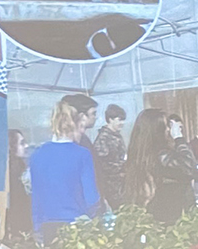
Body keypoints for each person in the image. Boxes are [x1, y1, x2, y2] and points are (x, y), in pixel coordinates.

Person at [27, 94, 104, 237]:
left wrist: (38, 232)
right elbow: (91, 199)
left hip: (48, 228)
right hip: (77, 228)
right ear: (77, 124)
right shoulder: (82, 154)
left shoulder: (36, 155)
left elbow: (35, 201)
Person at [93, 104, 130, 207]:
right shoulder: (103, 139)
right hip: (111, 186)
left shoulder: (116, 136)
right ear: (110, 119)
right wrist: (123, 166)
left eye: (123, 120)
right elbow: (101, 164)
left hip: (120, 183)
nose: (122, 123)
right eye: (119, 120)